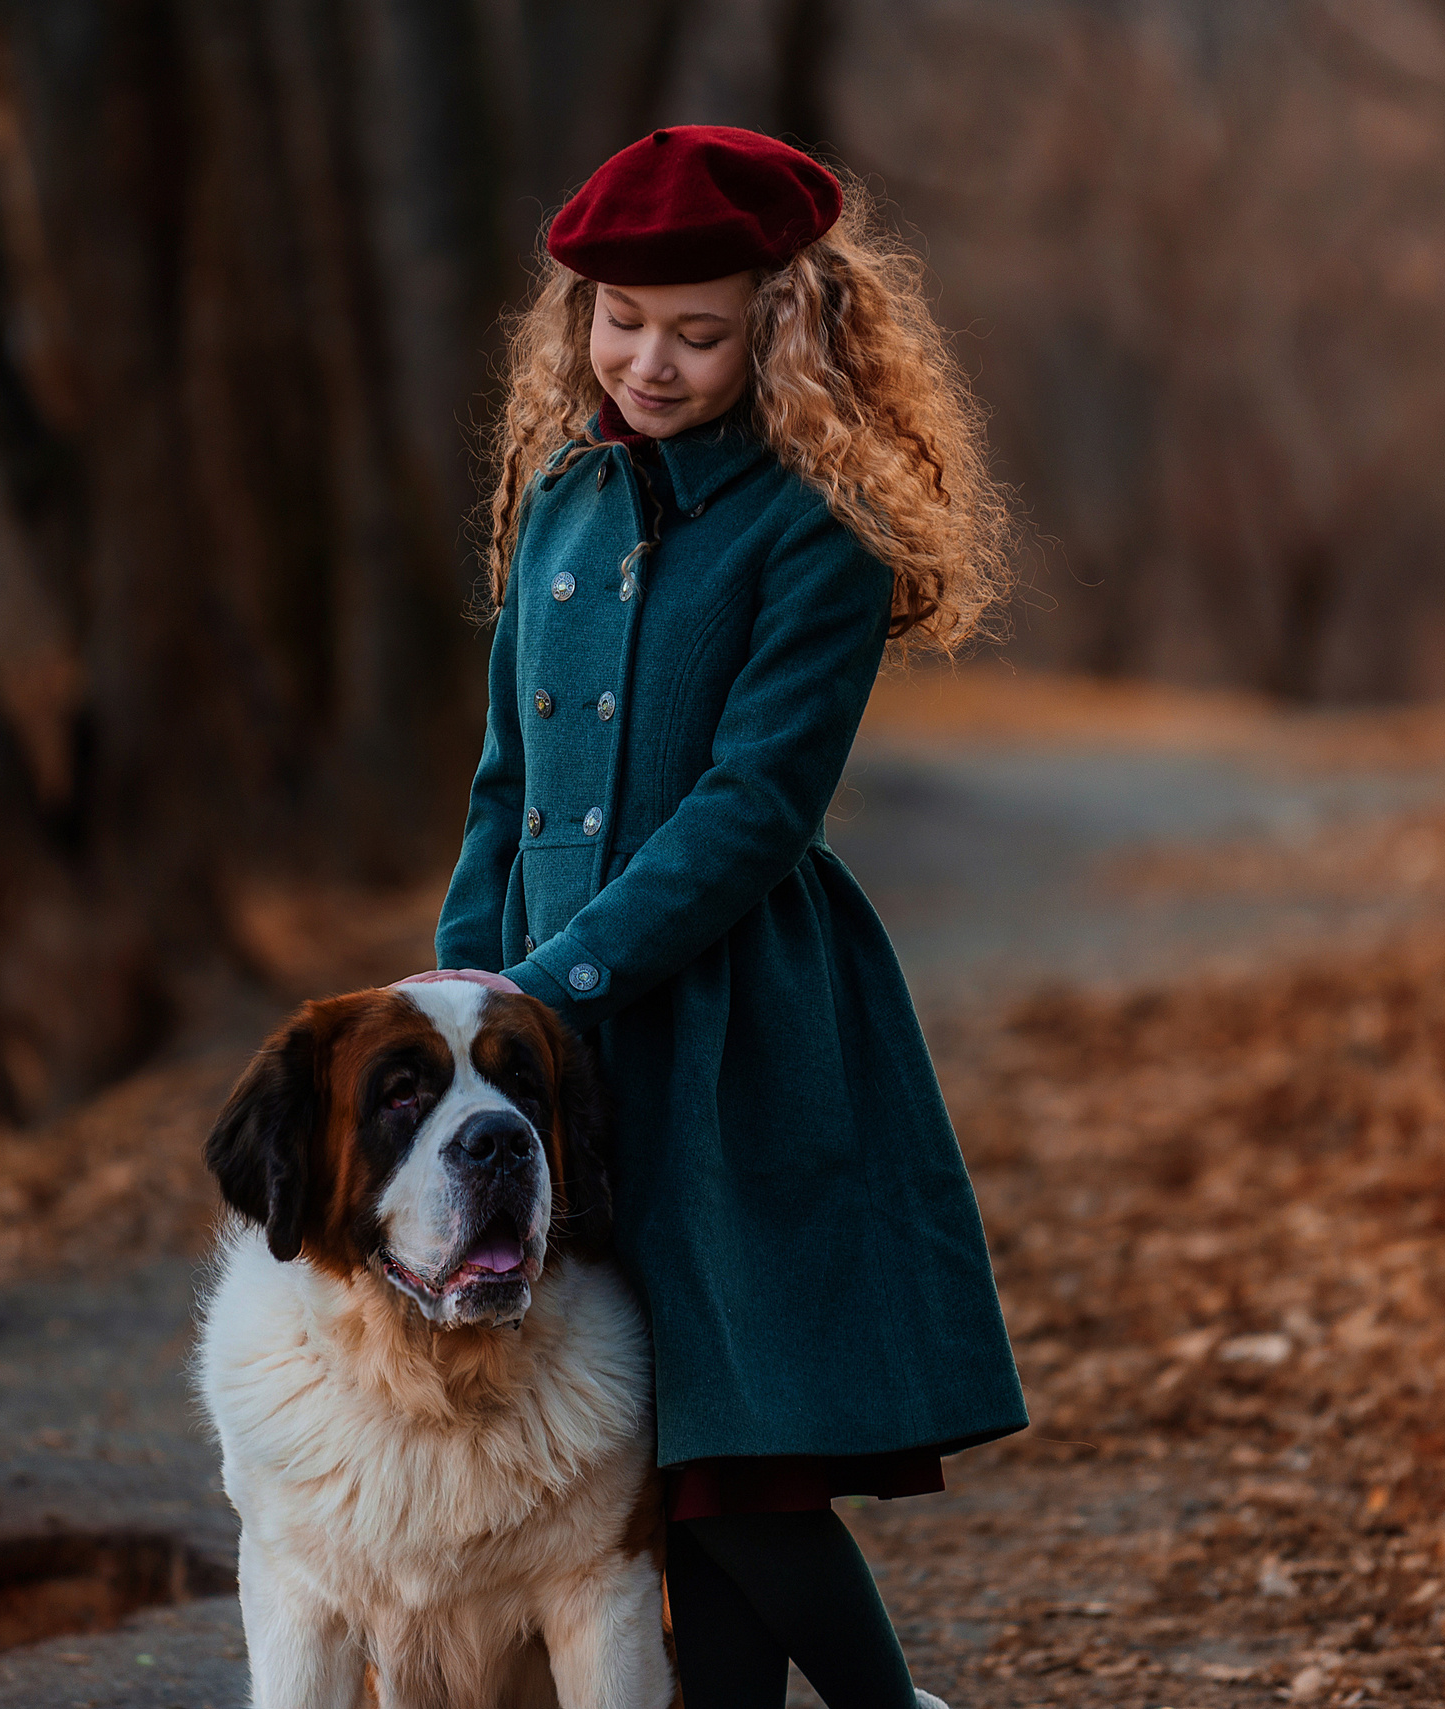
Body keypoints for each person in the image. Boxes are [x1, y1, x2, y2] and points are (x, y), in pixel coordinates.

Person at [414, 126, 1028, 1709]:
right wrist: (466, 992)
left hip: (735, 1024)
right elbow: (504, 780)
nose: (649, 362)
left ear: (783, 323)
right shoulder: (563, 499)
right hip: (549, 1031)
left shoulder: (817, 524)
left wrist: (561, 979)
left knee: (734, 1441)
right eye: (621, 322)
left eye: (698, 331)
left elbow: (757, 804)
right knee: (648, 1439)